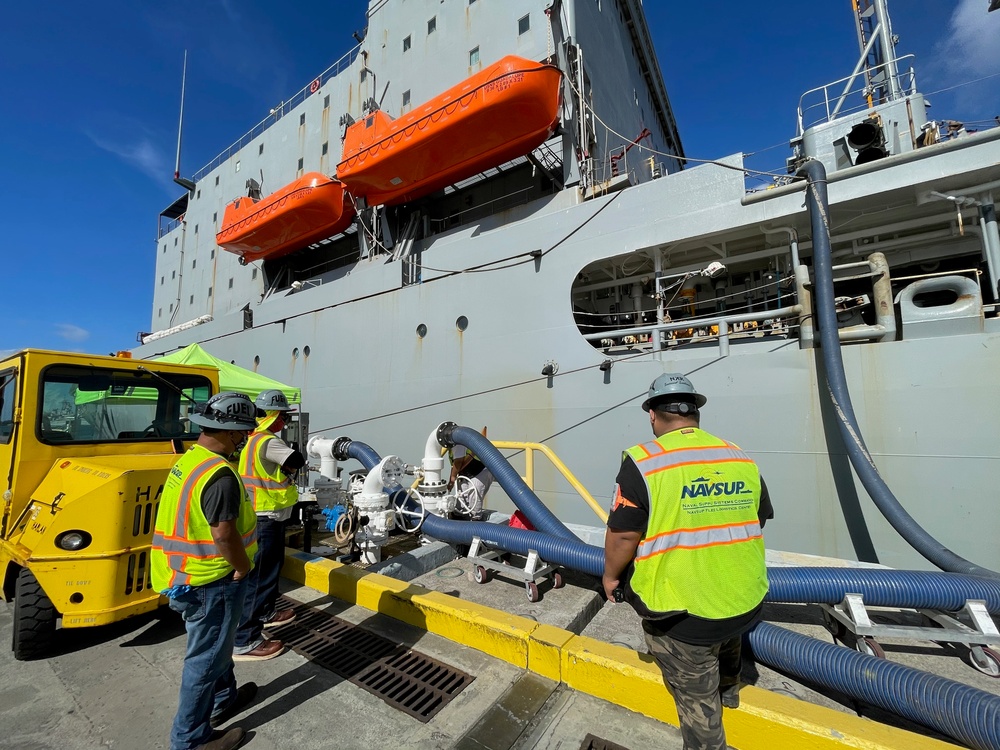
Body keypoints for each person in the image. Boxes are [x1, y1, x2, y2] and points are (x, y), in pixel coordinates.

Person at [603, 373, 773, 750]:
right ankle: (729, 692)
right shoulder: (737, 455)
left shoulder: (643, 462)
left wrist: (611, 577)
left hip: (684, 613)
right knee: (728, 643)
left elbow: (623, 535)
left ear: (653, 416)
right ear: (695, 413)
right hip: (744, 596)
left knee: (696, 699)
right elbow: (756, 517)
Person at [151, 391, 261, 750]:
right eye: (243, 432)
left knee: (218, 645)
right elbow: (224, 534)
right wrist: (243, 567)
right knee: (206, 658)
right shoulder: (221, 476)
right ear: (230, 434)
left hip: (183, 576)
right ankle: (189, 739)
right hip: (211, 581)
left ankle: (222, 700)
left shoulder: (191, 461)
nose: (245, 439)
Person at [233, 389, 306, 661]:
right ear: (273, 416)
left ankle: (266, 613)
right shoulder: (268, 441)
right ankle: (244, 640)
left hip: (260, 514)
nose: (284, 422)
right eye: (283, 417)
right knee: (260, 577)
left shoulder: (251, 440)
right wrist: (291, 465)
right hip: (266, 517)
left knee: (267, 572)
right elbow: (296, 460)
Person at [448, 426, 493, 517]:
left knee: (475, 494)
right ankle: (459, 516)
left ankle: (476, 518)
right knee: (461, 500)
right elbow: (455, 465)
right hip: (466, 472)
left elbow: (458, 462)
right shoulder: (452, 446)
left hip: (480, 470)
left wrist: (452, 480)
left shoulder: (458, 444)